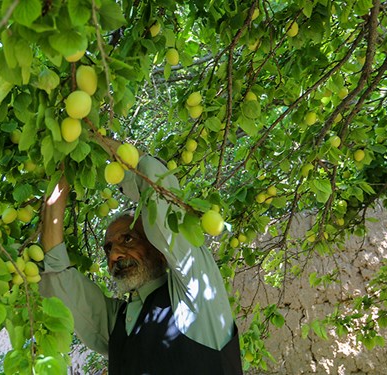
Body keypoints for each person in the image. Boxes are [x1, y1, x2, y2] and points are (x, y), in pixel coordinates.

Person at [39, 144, 243, 374]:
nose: (114, 255)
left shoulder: (194, 296)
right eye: (108, 249)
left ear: (158, 247)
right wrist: (62, 176)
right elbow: (57, 273)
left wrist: (95, 139)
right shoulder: (117, 322)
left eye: (127, 239)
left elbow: (160, 196)